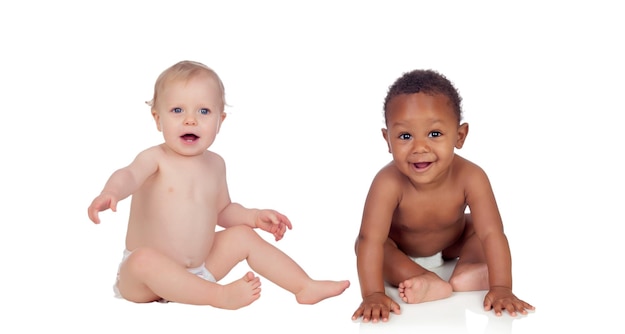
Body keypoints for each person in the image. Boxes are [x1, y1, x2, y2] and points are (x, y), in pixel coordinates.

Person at [87, 60, 349, 309]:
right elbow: (129, 175)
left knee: (243, 236)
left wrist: (253, 217)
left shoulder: (216, 164)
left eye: (204, 111)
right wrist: (111, 192)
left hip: (198, 271)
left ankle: (303, 285)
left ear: (220, 121)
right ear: (157, 119)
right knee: (142, 259)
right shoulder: (155, 159)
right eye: (177, 110)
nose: (191, 120)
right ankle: (219, 296)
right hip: (144, 281)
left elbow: (222, 211)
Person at [351, 69, 534, 323]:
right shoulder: (387, 182)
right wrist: (372, 293)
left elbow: (492, 233)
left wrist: (502, 287)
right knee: (364, 246)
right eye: (405, 136)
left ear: (459, 136)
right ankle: (423, 278)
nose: (420, 148)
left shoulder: (472, 176)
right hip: (401, 249)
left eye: (434, 134)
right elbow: (370, 239)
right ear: (388, 140)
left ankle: (468, 270)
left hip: (452, 242)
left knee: (478, 228)